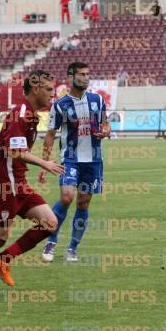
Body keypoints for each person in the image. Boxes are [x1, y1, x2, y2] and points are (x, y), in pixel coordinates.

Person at [0, 71, 65, 297]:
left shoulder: (31, 115)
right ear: (36, 89)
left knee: (49, 223)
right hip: (4, 185)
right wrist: (44, 164)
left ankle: (4, 259)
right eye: (49, 89)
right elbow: (15, 151)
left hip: (17, 183)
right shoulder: (21, 113)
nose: (52, 94)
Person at [40, 62, 110, 262]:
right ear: (71, 76)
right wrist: (45, 163)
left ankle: (72, 248)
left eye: (88, 74)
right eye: (81, 74)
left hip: (93, 160)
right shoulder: (60, 105)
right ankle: (51, 241)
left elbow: (106, 124)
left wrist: (105, 131)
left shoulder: (98, 99)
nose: (85, 77)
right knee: (66, 197)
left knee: (83, 202)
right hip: (70, 158)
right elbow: (51, 134)